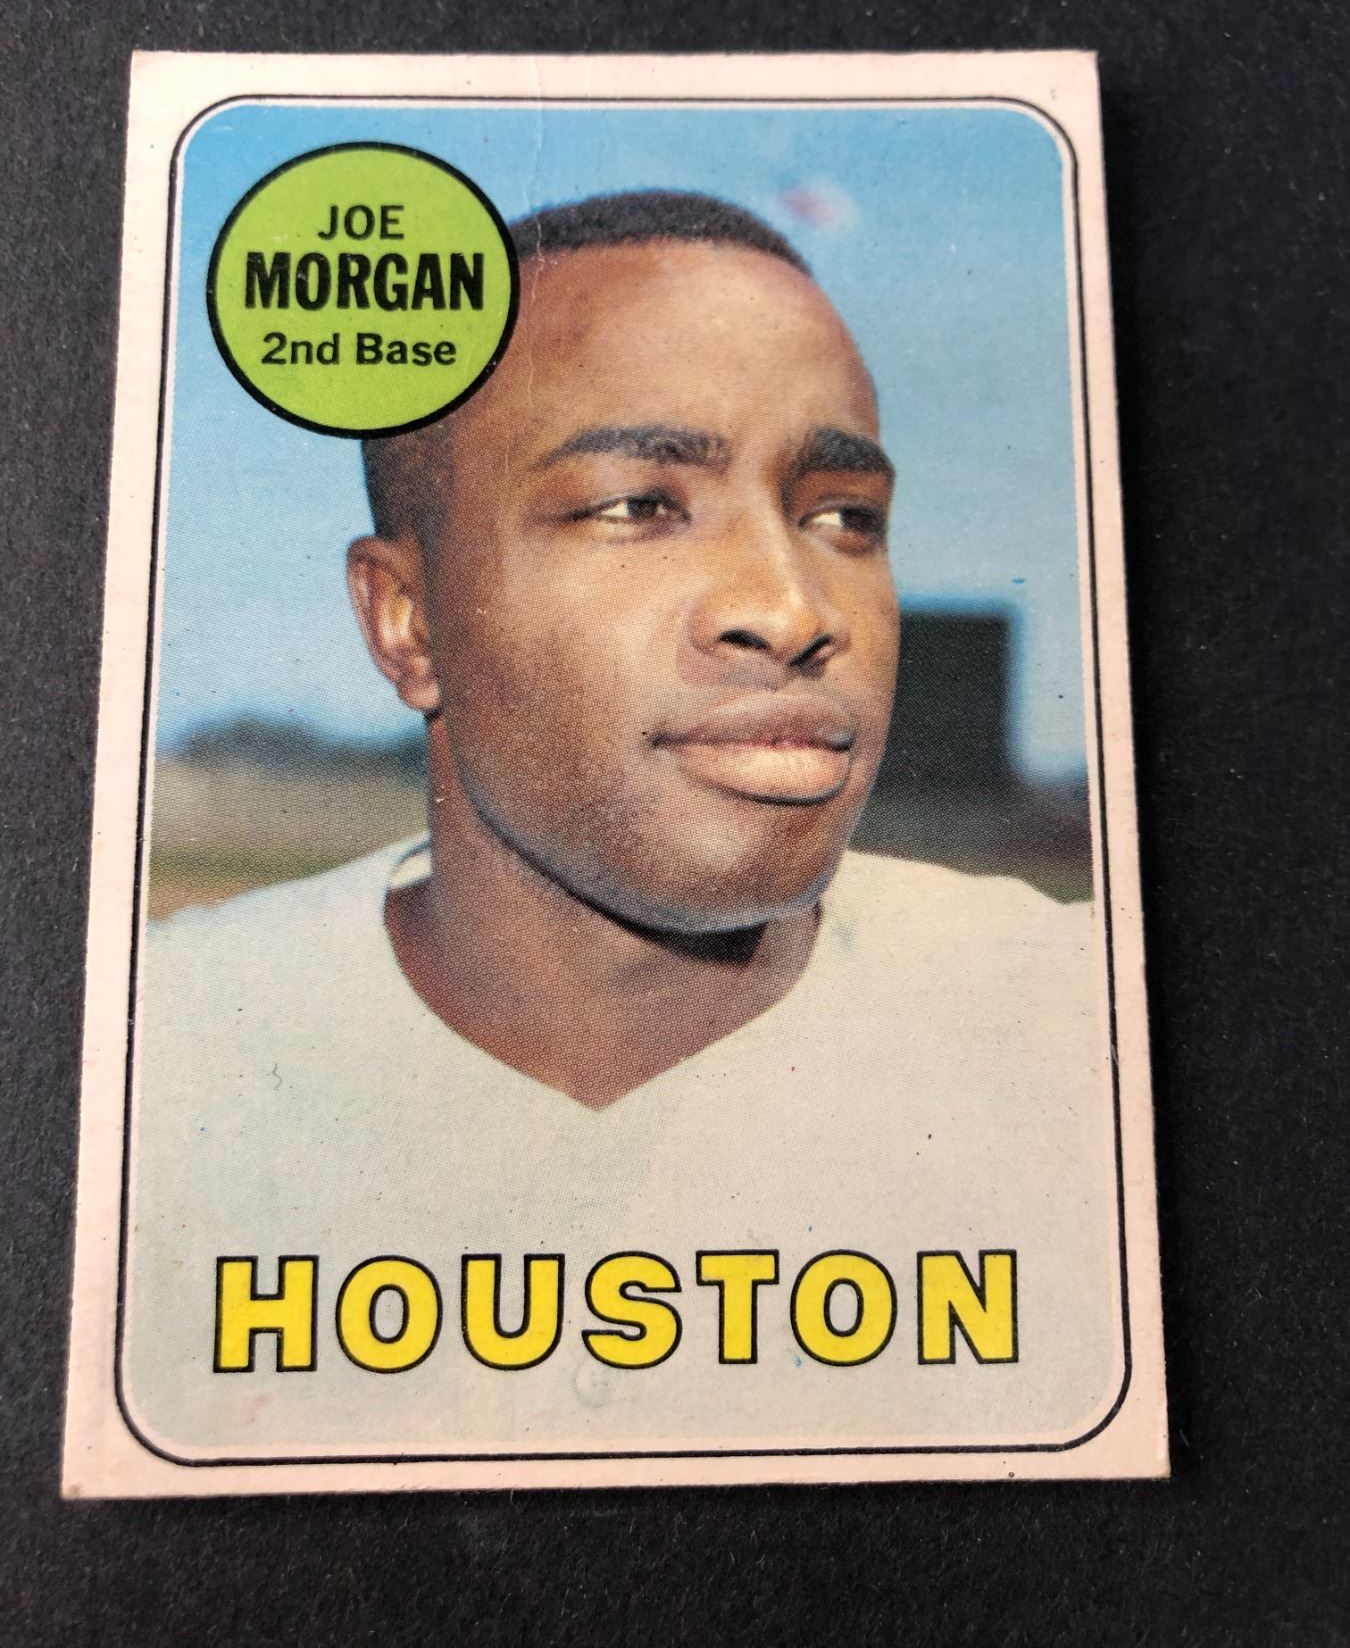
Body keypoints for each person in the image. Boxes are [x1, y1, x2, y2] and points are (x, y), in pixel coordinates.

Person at [123, 192, 1120, 1458]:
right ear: (408, 622)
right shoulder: (154, 1062)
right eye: (638, 505)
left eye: (843, 517)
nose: (792, 606)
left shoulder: (1086, 1030)